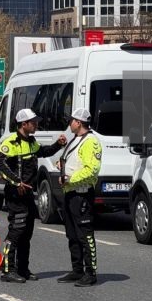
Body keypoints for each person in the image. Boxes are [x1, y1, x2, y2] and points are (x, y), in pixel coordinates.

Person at [0, 108, 66, 283]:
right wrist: (16, 181)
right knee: (16, 232)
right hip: (15, 194)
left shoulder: (32, 141)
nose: (36, 125)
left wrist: (58, 144)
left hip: (28, 194)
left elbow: (44, 152)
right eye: (33, 122)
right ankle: (7, 270)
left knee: (27, 233)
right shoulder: (11, 141)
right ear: (23, 124)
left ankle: (23, 269)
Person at [56, 108, 101, 287]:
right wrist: (62, 166)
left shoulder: (91, 141)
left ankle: (90, 273)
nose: (69, 123)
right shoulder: (76, 139)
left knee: (85, 235)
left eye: (71, 120)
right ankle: (77, 270)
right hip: (70, 193)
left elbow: (91, 169)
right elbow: (73, 161)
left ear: (79, 122)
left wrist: (69, 178)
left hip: (81, 194)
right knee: (72, 234)